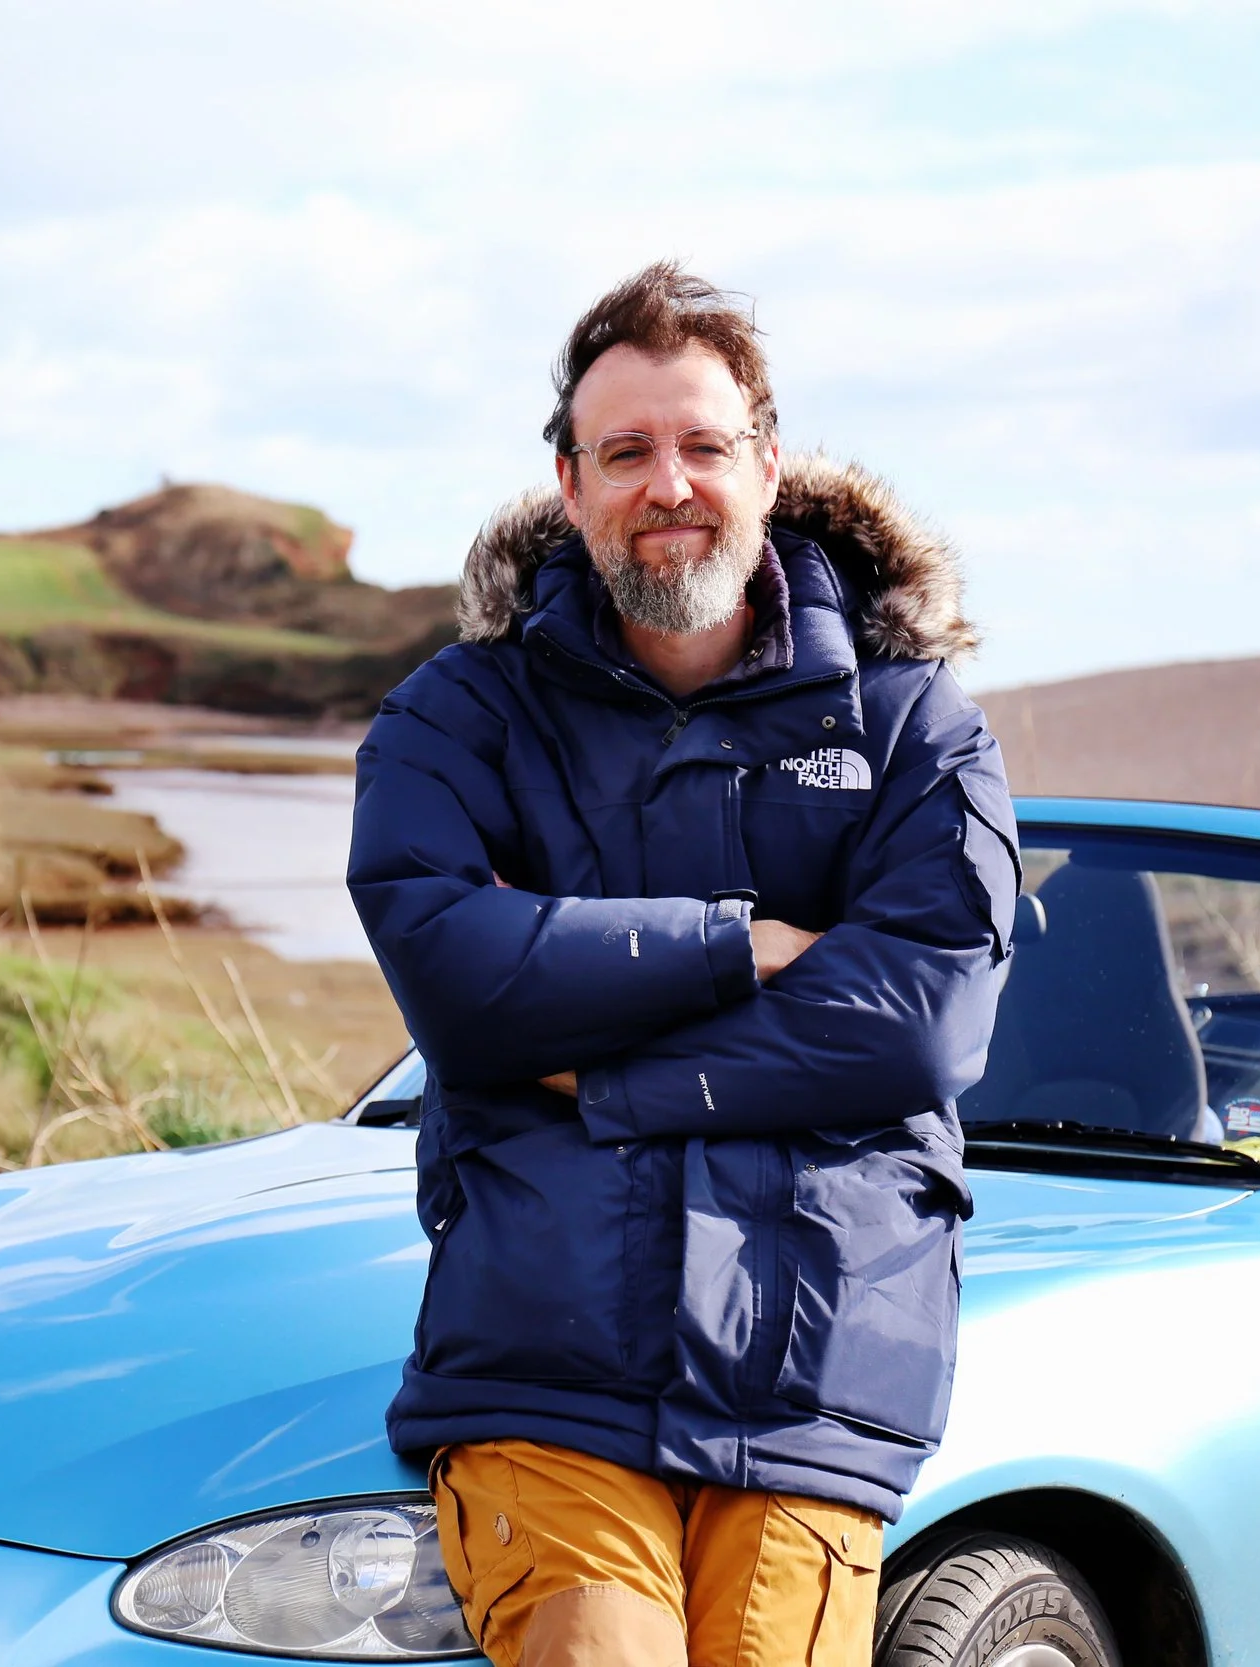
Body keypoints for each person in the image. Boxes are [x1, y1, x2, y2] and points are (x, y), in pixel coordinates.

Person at [347, 263, 1021, 1667]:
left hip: (814, 1384)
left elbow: (915, 1024)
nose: (671, 483)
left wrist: (599, 1066)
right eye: (629, 451)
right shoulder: (459, 714)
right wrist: (737, 943)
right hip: (544, 1372)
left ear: (767, 464)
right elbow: (457, 975)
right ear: (570, 479)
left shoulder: (913, 727)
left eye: (705, 445)